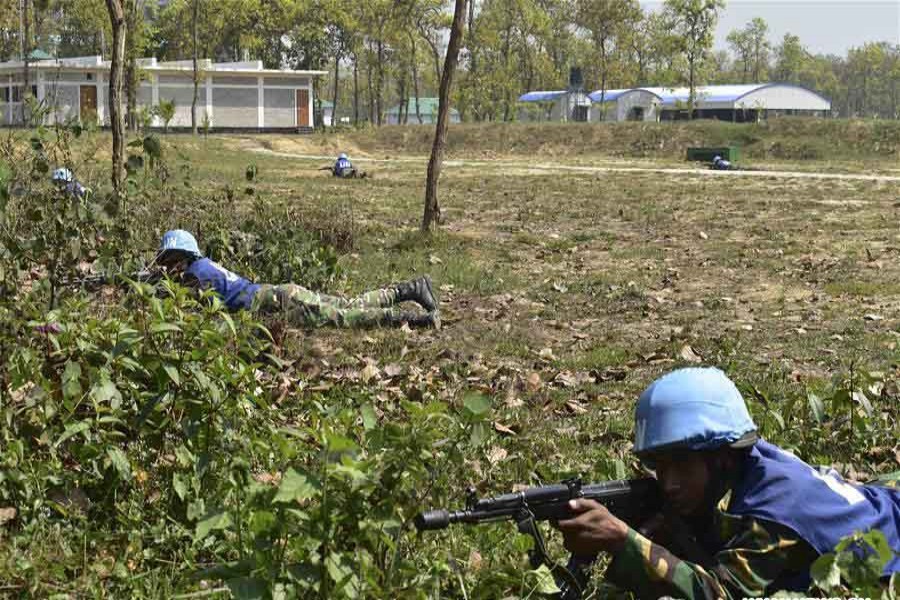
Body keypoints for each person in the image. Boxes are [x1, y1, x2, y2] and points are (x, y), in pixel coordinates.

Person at [556, 367, 900, 599]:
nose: (669, 484)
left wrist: (625, 541)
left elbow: (720, 593)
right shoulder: (748, 465)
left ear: (722, 457)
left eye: (682, 465)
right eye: (659, 466)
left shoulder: (771, 514)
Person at [154, 229, 440, 329]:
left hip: (277, 302)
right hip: (279, 294)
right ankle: (409, 289)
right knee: (347, 305)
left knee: (343, 317)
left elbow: (186, 311)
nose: (170, 268)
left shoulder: (195, 276)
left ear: (183, 257)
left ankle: (411, 320)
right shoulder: (203, 265)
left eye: (171, 261)